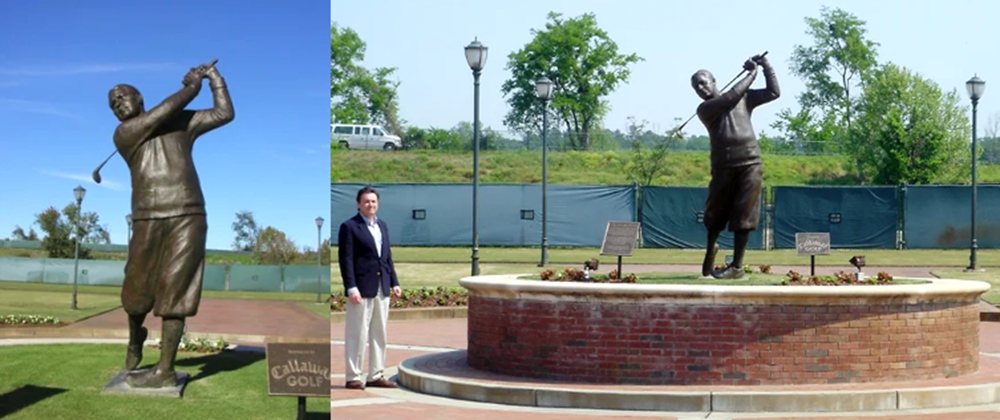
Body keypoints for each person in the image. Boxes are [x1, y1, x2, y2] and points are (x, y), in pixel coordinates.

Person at [109, 60, 234, 388]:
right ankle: (136, 337)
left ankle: (165, 370)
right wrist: (190, 88)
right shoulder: (124, 134)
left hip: (188, 214)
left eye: (123, 98)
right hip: (147, 218)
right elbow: (161, 114)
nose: (119, 105)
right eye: (113, 104)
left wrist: (213, 79)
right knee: (135, 294)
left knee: (176, 292)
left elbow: (224, 113)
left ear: (140, 98)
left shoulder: (179, 122)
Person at [691, 53, 779, 279]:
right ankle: (711, 250)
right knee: (715, 212)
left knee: (744, 214)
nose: (701, 87)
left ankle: (737, 267)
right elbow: (731, 97)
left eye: (703, 82)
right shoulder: (706, 109)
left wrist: (766, 65)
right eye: (696, 86)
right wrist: (752, 73)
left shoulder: (745, 97)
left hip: (750, 162)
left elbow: (773, 92)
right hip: (723, 166)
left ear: (713, 81)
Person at [338, 186, 402, 390]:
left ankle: (376, 374)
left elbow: (387, 257)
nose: (370, 204)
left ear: (378, 203)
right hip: (361, 289)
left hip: (381, 287)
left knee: (379, 333)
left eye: (373, 201)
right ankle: (353, 376)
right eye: (366, 201)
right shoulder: (349, 227)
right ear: (358, 204)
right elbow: (345, 260)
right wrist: (351, 287)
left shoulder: (382, 225)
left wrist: (395, 282)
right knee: (357, 333)